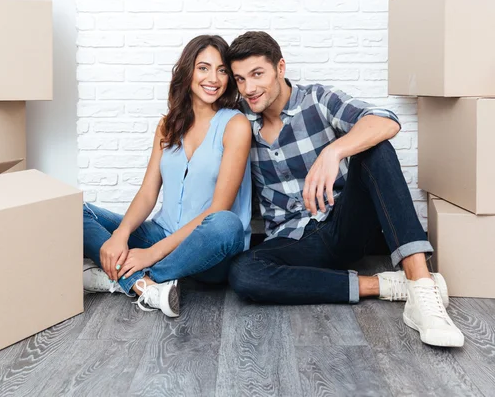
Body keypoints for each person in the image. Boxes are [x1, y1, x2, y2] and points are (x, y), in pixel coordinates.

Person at [226, 31, 463, 347]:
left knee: (376, 149)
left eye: (257, 74)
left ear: (280, 68)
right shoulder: (240, 123)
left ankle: (422, 289)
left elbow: (385, 121)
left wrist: (334, 150)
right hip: (292, 240)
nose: (249, 88)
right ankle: (386, 286)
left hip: (344, 224)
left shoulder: (316, 100)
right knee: (244, 274)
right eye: (240, 80)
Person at [82, 35, 252, 318]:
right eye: (203, 68)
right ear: (188, 71)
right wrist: (120, 235)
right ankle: (142, 285)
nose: (214, 78)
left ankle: (120, 278)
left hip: (207, 249)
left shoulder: (236, 125)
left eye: (222, 70)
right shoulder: (168, 125)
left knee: (227, 224)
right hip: (161, 232)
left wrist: (152, 253)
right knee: (76, 212)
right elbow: (149, 191)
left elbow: (218, 209)